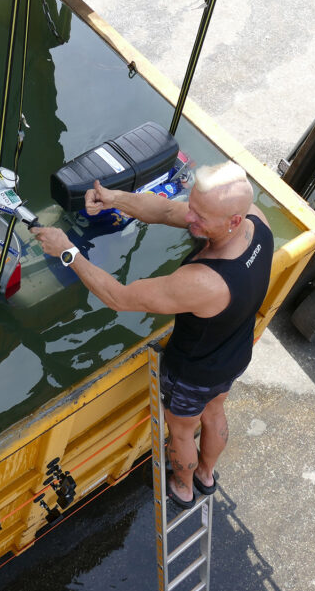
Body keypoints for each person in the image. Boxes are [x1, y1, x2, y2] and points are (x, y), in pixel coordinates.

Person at [30, 162, 273, 508]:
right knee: (215, 411)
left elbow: (118, 298)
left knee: (182, 431)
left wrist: (67, 251)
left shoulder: (204, 282)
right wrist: (114, 198)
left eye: (200, 217)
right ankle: (207, 475)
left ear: (233, 221)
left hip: (192, 373)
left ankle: (184, 487)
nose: (189, 218)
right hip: (233, 353)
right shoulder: (255, 220)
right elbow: (167, 210)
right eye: (193, 206)